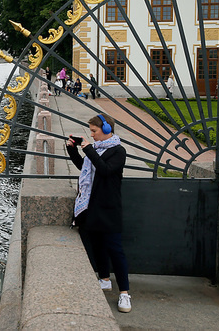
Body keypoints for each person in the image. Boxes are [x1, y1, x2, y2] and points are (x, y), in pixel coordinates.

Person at [66, 113, 131, 313]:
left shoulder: (118, 151)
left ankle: (124, 293)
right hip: (92, 206)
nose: (92, 135)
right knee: (98, 246)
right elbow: (84, 166)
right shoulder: (95, 150)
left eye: (94, 131)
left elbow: (104, 170)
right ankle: (104, 279)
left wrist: (88, 149)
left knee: (115, 250)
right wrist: (72, 150)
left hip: (109, 207)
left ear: (106, 130)